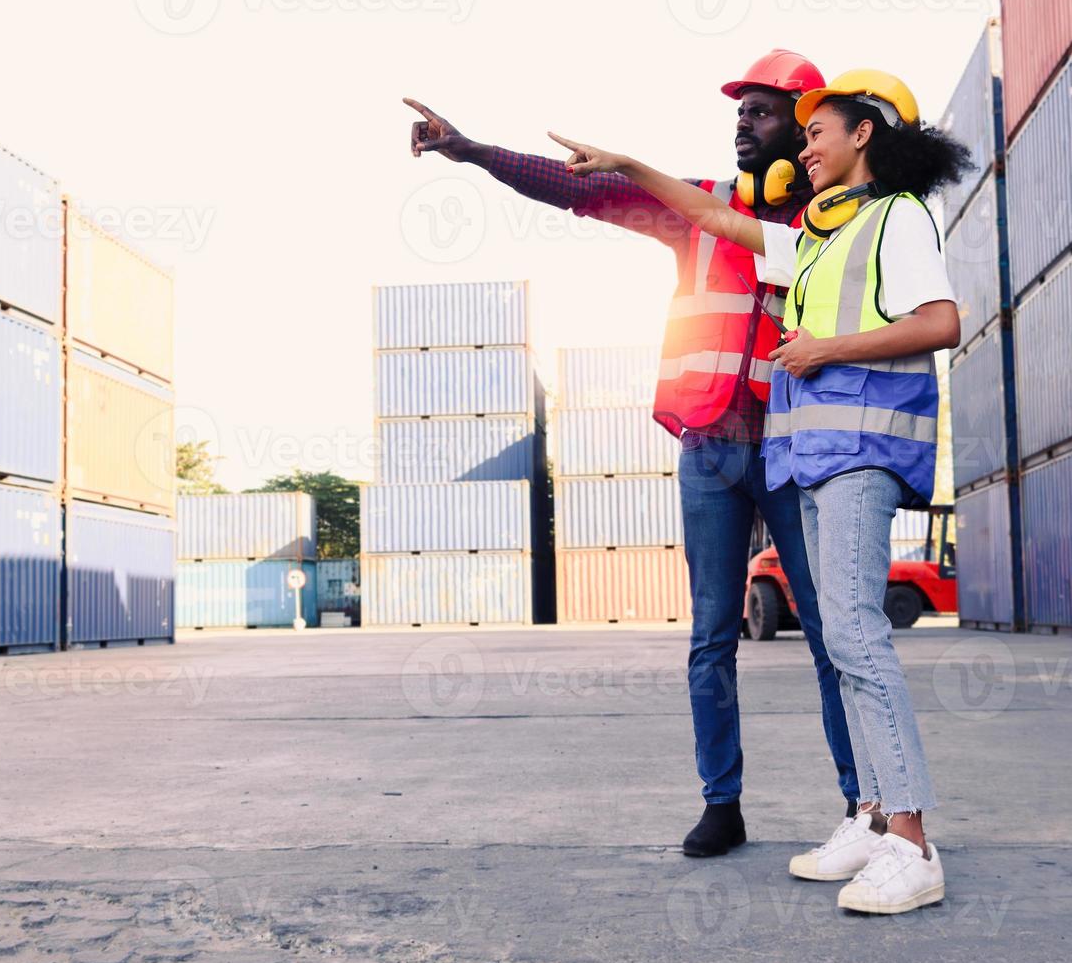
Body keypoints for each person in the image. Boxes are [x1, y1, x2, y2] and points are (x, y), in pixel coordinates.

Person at [404, 51, 862, 858]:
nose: (742, 127)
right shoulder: (700, 208)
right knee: (713, 635)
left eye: (760, 112)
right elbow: (584, 190)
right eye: (738, 114)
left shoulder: (842, 222)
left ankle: (864, 807)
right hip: (712, 452)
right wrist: (471, 151)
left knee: (832, 636)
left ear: (806, 122)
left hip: (799, 457)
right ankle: (722, 804)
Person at [548, 68, 971, 915]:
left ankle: (913, 843)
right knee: (846, 642)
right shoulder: (814, 235)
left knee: (853, 636)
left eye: (820, 133)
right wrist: (625, 163)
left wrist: (825, 350)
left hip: (860, 449)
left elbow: (941, 322)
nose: (804, 147)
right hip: (808, 458)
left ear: (865, 136)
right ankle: (873, 814)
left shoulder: (899, 217)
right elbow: (710, 215)